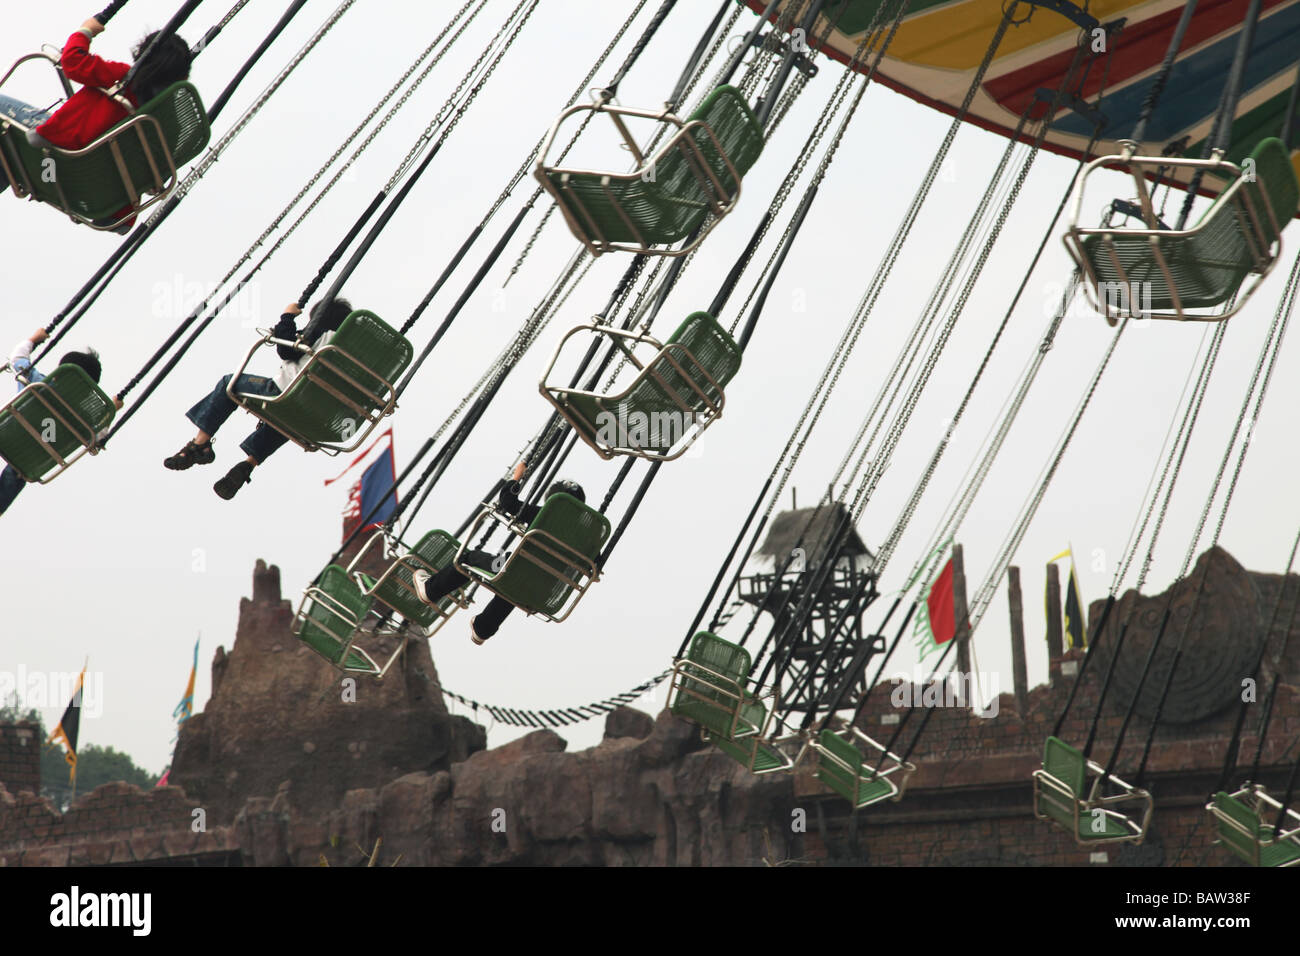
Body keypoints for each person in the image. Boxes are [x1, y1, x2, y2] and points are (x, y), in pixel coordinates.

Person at [0, 15, 193, 229]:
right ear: (182, 78)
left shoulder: (122, 80)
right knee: (6, 157)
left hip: (53, 161)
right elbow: (157, 178)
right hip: (87, 193)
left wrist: (86, 30)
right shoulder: (167, 125)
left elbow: (72, 61)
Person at [162, 297, 354, 501]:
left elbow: (286, 350)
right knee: (286, 419)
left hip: (283, 393)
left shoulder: (321, 334)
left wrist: (287, 317)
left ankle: (200, 444)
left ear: (319, 318)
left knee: (230, 383)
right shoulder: (354, 355)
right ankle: (248, 464)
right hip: (313, 416)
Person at [411, 462, 587, 645]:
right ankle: (483, 628)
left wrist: (517, 477)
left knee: (469, 558)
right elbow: (595, 567)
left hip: (511, 570)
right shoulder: (585, 537)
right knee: (514, 588)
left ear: (552, 502)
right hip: (542, 592)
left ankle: (431, 590)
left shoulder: (543, 514)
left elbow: (507, 503)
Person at [0, 328, 122, 516]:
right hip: (26, 459)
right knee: (17, 472)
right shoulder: (84, 419)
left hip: (6, 434)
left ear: (58, 374)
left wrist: (34, 339)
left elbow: (17, 358)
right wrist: (110, 411)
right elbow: (97, 437)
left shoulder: (38, 383)